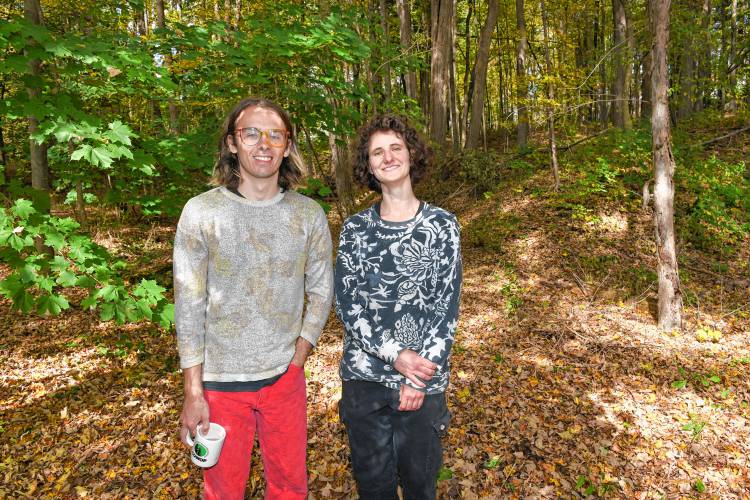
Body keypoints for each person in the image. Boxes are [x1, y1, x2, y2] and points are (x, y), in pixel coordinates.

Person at [173, 97, 334, 500]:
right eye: (251, 133)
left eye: (275, 134)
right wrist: (194, 392)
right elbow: (188, 305)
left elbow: (321, 290)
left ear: (287, 145)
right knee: (224, 491)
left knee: (290, 488)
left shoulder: (308, 214)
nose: (263, 143)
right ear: (232, 143)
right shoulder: (201, 212)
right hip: (220, 385)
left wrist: (298, 357)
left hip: (284, 380)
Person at [334, 115, 462, 499]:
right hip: (364, 381)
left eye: (395, 148)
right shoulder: (355, 230)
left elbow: (446, 308)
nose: (387, 157)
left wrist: (415, 376)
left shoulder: (443, 225)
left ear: (411, 154)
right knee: (374, 489)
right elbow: (348, 304)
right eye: (377, 152)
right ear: (368, 166)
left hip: (422, 384)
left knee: (421, 487)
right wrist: (396, 356)